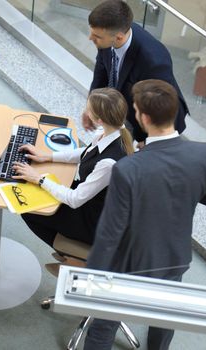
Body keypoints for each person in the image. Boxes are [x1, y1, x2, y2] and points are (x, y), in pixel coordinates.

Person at [83, 79, 206, 350]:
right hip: (173, 259)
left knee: (101, 331)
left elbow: (109, 235)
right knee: (163, 322)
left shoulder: (128, 168)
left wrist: (90, 282)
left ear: (144, 117)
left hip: (129, 265)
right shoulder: (203, 154)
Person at [12, 88, 133, 270]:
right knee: (41, 197)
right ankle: (70, 254)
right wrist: (47, 156)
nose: (86, 112)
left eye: (89, 109)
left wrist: (39, 179)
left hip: (94, 220)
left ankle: (75, 258)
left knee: (29, 210)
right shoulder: (112, 131)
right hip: (91, 198)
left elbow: (75, 200)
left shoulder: (108, 163)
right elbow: (86, 153)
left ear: (99, 119)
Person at [85, 0, 188, 146]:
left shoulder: (154, 60)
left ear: (119, 37)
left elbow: (168, 104)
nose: (90, 38)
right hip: (123, 109)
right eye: (92, 33)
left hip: (144, 122)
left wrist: (150, 140)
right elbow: (101, 72)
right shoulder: (109, 35)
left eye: (96, 36)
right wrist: (92, 105)